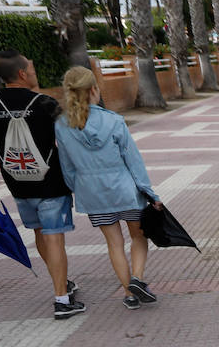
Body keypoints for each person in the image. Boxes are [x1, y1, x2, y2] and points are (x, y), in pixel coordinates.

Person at [0, 50, 82, 320]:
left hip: (18, 182)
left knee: (39, 233)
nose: (35, 72)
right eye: (32, 68)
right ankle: (62, 299)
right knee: (54, 237)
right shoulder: (45, 103)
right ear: (22, 73)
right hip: (51, 183)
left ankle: (63, 285)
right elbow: (69, 142)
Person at [54, 66, 164, 309]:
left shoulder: (62, 126)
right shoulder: (113, 121)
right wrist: (150, 192)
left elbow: (67, 167)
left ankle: (130, 294)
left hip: (92, 194)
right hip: (125, 190)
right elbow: (133, 161)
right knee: (138, 236)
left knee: (114, 243)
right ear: (94, 89)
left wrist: (80, 188)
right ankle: (137, 279)